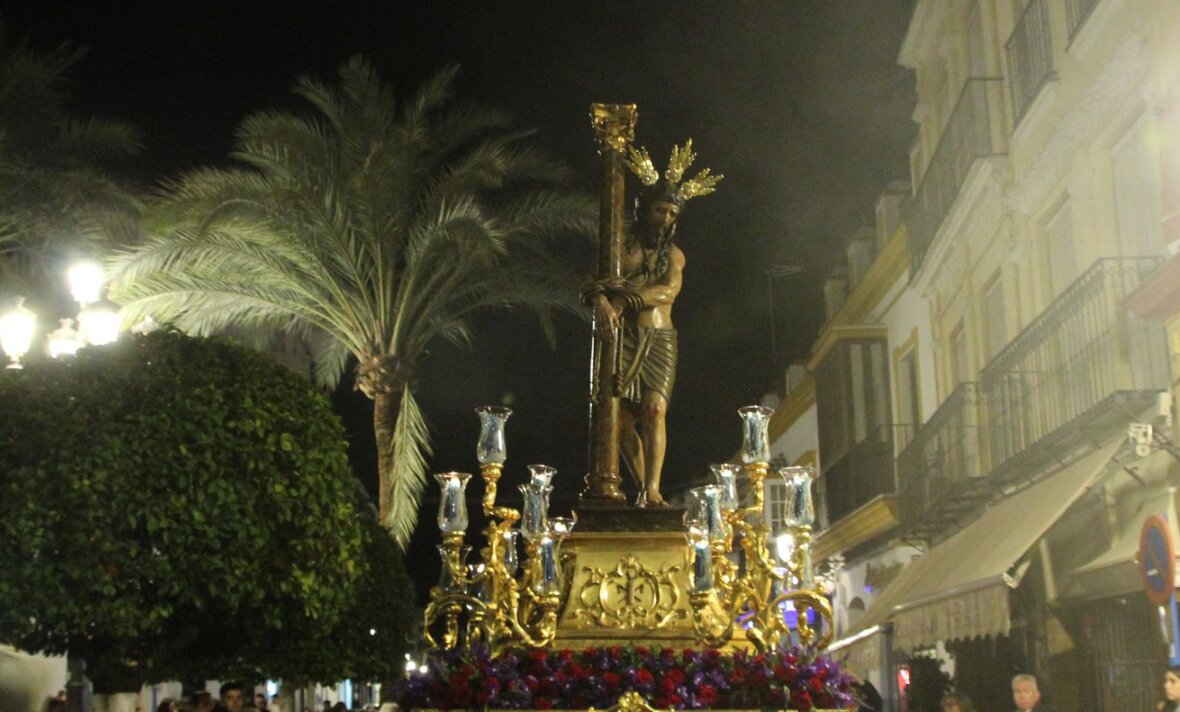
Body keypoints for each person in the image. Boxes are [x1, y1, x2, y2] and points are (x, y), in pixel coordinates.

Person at [592, 141, 721, 507]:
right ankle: (642, 489)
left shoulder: (675, 255)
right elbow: (594, 282)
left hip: (660, 338)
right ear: (644, 209)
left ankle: (653, 488)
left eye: (672, 213)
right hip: (625, 337)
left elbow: (668, 291)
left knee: (654, 410)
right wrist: (602, 301)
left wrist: (622, 300)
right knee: (618, 421)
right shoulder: (620, 247)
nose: (665, 219)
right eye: (660, 210)